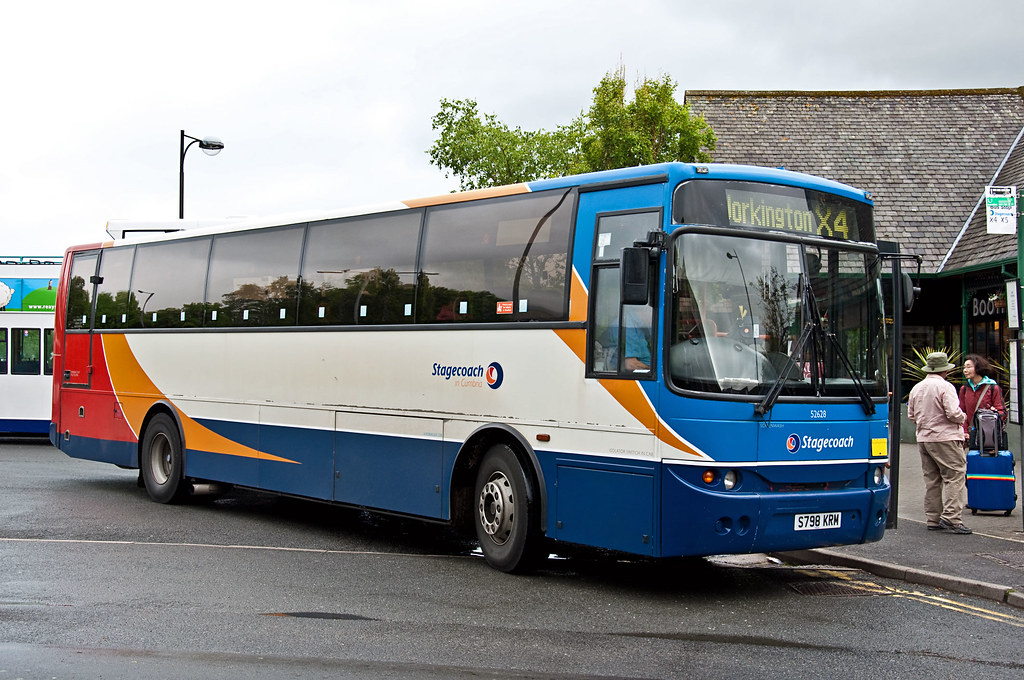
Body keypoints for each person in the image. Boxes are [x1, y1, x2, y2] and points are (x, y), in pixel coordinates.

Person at [907, 351, 972, 534]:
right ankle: (951, 517)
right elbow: (953, 412)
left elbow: (911, 415)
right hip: (945, 437)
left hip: (924, 438)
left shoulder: (917, 388)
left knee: (932, 479)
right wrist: (963, 417)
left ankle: (933, 518)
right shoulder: (946, 387)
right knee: (955, 475)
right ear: (945, 370)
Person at [959, 354, 1006, 443]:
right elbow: (961, 412)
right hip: (971, 435)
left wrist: (993, 414)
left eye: (969, 367)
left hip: (989, 436)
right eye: (964, 367)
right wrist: (964, 431)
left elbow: (1002, 412)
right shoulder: (964, 389)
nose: (965, 370)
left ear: (978, 368)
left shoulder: (992, 388)